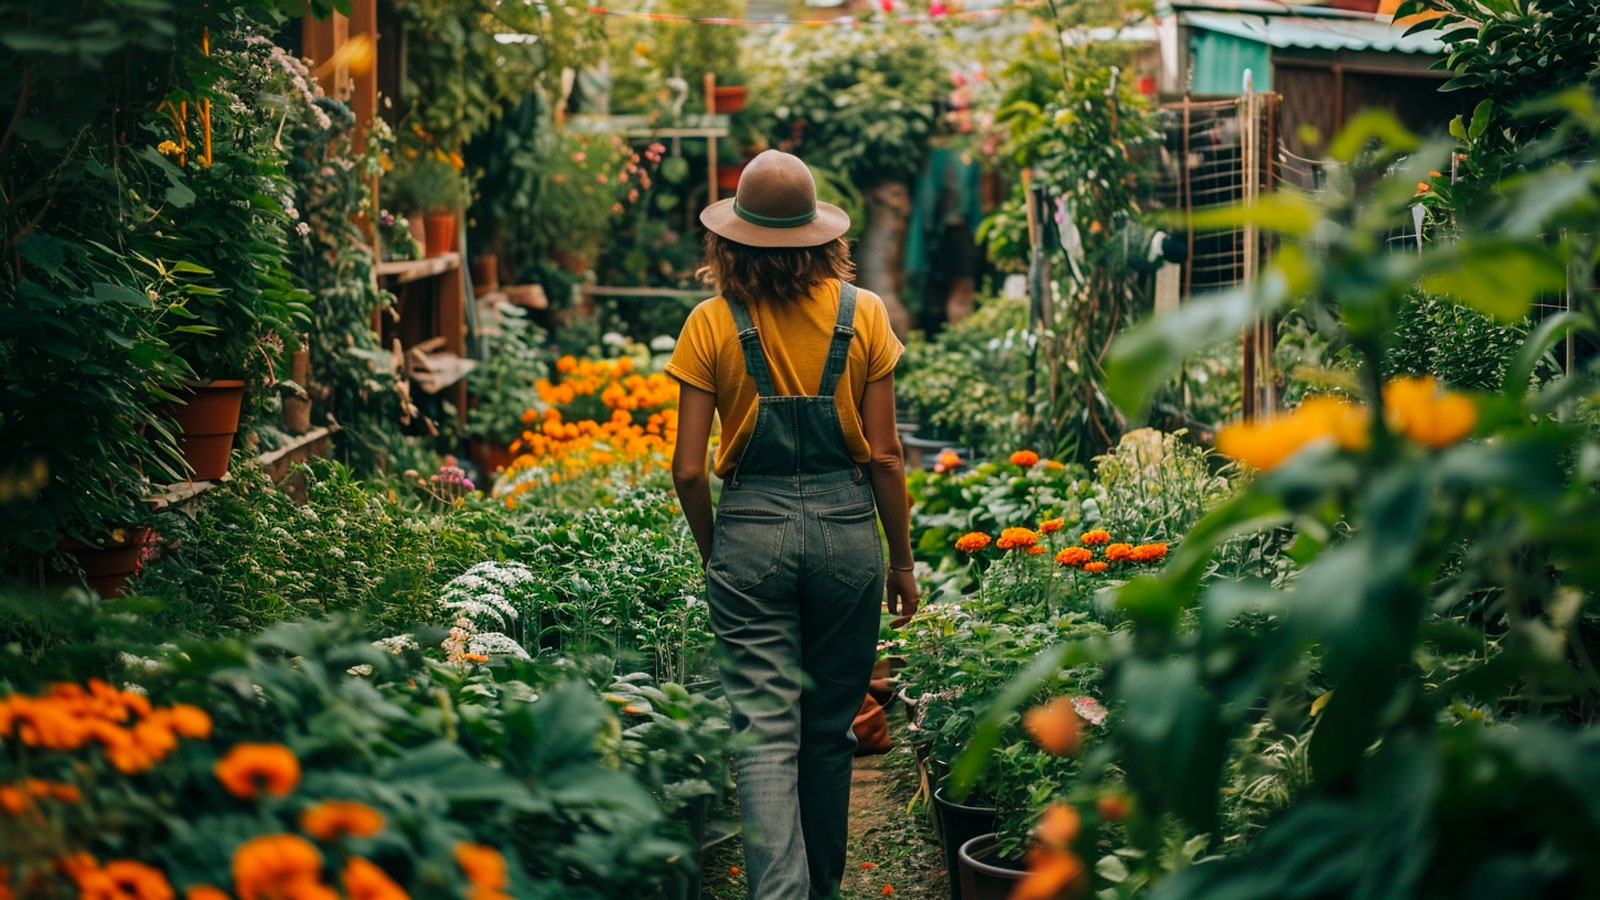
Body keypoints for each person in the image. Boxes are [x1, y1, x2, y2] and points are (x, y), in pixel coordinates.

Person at [666, 150, 921, 900]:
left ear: (732, 238)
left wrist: (722, 551)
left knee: (764, 733)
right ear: (820, 237)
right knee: (827, 732)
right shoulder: (864, 312)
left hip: (750, 529)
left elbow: (686, 469)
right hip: (847, 534)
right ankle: (822, 890)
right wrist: (900, 561)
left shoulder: (710, 323)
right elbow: (886, 456)